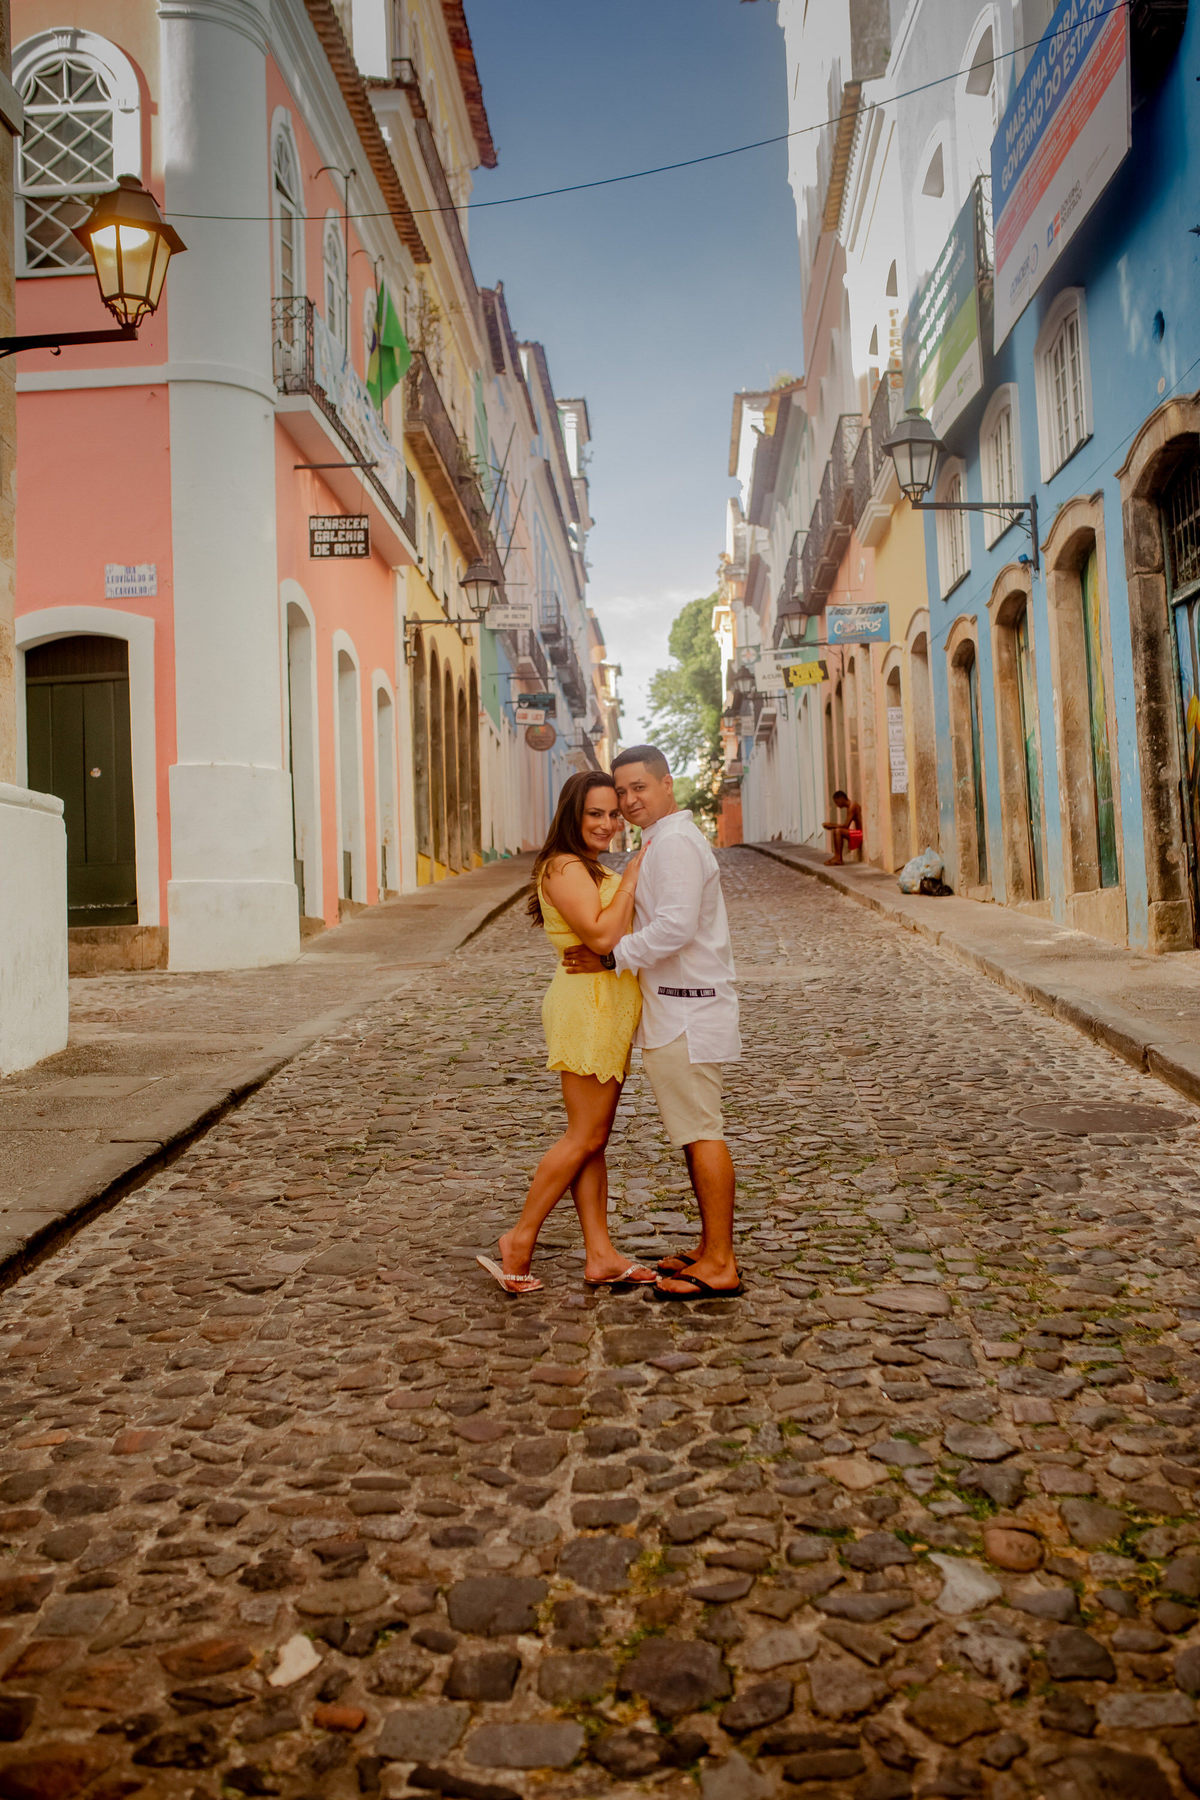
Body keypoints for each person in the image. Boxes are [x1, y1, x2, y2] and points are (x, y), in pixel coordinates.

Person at [564, 745, 743, 1301]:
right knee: (692, 1135)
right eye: (620, 792)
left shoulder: (676, 845)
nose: (628, 800)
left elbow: (675, 928)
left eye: (639, 787)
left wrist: (611, 957)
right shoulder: (663, 842)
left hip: (687, 1010)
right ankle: (710, 1247)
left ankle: (720, 1262)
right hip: (677, 1009)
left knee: (701, 1133)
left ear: (668, 783)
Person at [477, 770, 657, 1296]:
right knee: (585, 1136)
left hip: (605, 1005)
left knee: (593, 1142)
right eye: (595, 814)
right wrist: (632, 876)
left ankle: (599, 1254)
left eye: (613, 814)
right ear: (572, 816)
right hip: (588, 1007)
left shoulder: (587, 865)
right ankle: (520, 1238)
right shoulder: (563, 866)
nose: (607, 823)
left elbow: (606, 940)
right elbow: (602, 932)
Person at [823, 790, 863, 865]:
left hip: (859, 834)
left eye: (837, 802)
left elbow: (846, 826)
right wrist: (832, 826)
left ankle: (838, 858)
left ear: (841, 799)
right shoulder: (849, 806)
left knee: (838, 831)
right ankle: (837, 856)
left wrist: (831, 825)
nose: (837, 805)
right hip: (857, 834)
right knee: (836, 830)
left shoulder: (852, 806)